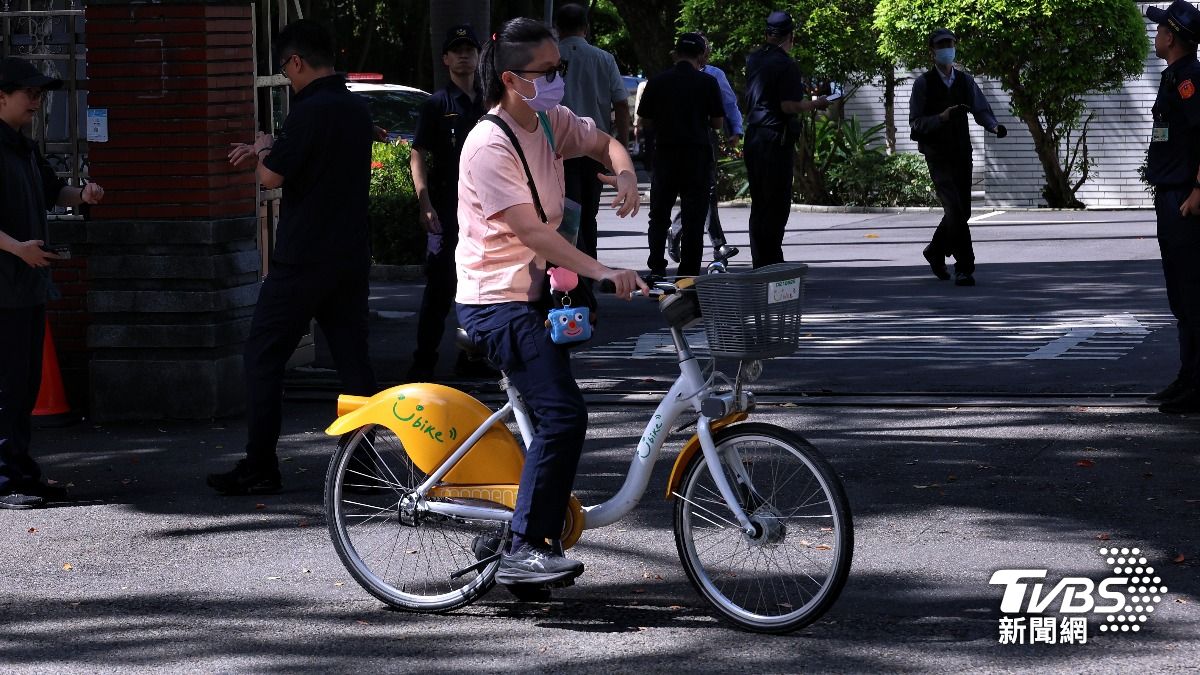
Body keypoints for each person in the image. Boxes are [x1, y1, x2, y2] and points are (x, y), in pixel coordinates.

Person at [456, 17, 647, 587]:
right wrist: (604, 270)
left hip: (538, 296)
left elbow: (603, 141)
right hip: (496, 302)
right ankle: (523, 548)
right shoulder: (488, 143)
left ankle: (522, 524)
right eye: (549, 72)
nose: (559, 79)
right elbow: (534, 234)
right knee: (564, 416)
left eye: (560, 69)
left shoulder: (547, 120)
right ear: (513, 78)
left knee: (550, 417)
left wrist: (626, 171)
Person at [211, 19, 378, 495]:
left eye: (286, 67)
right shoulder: (355, 109)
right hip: (348, 253)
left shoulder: (308, 111)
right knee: (353, 362)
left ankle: (260, 464)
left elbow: (270, 177)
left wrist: (264, 147)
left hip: (304, 257)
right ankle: (364, 464)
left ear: (297, 61)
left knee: (263, 357)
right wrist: (270, 151)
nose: (286, 75)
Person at [0, 57, 105, 510]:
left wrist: (81, 194)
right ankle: (5, 480)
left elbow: (50, 190)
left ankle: (20, 470)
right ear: (1, 95)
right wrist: (16, 248)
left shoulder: (22, 145)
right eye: (30, 93)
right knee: (5, 388)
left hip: (25, 286)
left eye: (40, 94)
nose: (37, 103)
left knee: (22, 386)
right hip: (5, 286)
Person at [406, 24, 488, 382]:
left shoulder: (492, 100)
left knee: (483, 289)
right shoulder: (437, 104)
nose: (464, 54)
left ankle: (472, 359)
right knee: (440, 290)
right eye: (456, 49)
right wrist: (424, 201)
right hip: (447, 209)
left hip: (489, 211)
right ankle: (423, 362)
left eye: (469, 48)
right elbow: (417, 154)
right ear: (445, 58)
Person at [909, 28, 1006, 287]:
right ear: (932, 52)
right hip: (937, 155)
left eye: (950, 44)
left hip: (962, 153)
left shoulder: (965, 81)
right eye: (942, 45)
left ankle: (934, 250)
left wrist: (994, 126)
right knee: (953, 208)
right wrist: (941, 118)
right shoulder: (923, 84)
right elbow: (916, 124)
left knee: (962, 211)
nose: (947, 49)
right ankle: (964, 267)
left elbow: (980, 109)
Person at [1144, 0, 1200, 415]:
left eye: (1162, 29)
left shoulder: (1191, 81)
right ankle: (1188, 377)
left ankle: (1197, 384)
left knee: (1194, 295)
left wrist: (1198, 190)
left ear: (1174, 37)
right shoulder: (1174, 78)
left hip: (1185, 197)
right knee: (1181, 297)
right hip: (1170, 194)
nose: (1156, 34)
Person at [743, 10, 829, 268]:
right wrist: (817, 103)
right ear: (790, 36)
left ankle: (760, 260)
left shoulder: (754, 59)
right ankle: (772, 260)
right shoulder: (786, 64)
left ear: (767, 34)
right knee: (777, 203)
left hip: (754, 136)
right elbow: (789, 105)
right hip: (774, 139)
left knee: (759, 202)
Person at [638, 32, 724, 277]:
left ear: (676, 54)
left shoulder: (658, 81)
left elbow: (645, 120)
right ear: (700, 56)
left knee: (659, 215)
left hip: (665, 155)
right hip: (697, 157)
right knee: (694, 219)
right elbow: (717, 123)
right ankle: (688, 273)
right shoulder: (707, 82)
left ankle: (656, 267)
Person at [553, 3, 631, 262]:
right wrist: (622, 143)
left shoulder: (550, 59)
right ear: (586, 28)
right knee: (588, 214)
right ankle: (590, 270)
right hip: (596, 147)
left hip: (558, 149)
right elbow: (621, 103)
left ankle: (572, 273)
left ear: (557, 28)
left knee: (567, 214)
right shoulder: (604, 59)